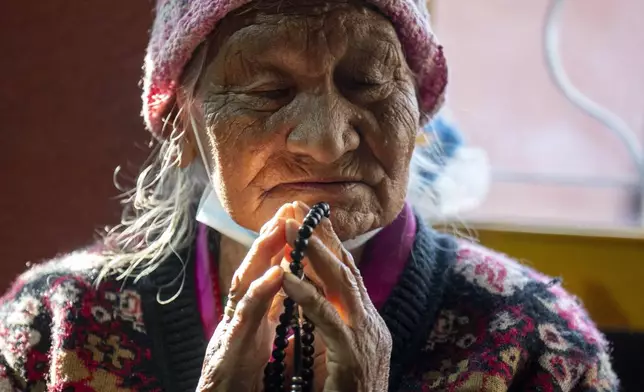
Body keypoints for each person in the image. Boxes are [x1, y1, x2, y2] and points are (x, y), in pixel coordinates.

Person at [0, 0, 618, 390]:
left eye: (367, 82)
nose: (325, 142)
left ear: (419, 112)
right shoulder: (54, 332)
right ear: (182, 123)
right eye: (268, 91)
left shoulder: (534, 346)